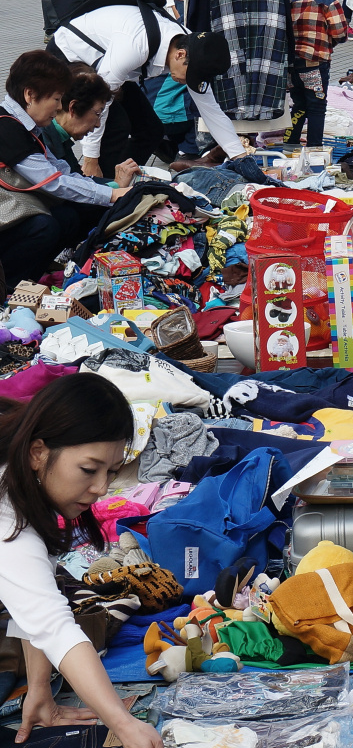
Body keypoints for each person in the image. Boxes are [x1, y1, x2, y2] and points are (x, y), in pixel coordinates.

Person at [0, 372, 167, 748]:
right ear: (38, 453)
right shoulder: (6, 516)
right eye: (89, 470)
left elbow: (33, 594)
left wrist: (39, 689)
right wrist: (124, 725)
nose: (100, 489)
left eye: (110, 472)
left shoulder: (25, 476)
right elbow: (52, 624)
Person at [48, 4, 241, 181]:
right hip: (71, 55)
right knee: (116, 127)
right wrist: (90, 160)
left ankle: (118, 183)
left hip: (109, 67)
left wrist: (241, 159)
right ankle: (102, 191)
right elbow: (99, 102)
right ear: (180, 55)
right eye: (190, 76)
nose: (187, 82)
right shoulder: (135, 46)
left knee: (151, 130)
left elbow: (212, 111)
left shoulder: (193, 49)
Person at [0, 53, 138, 286]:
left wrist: (111, 190)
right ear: (30, 95)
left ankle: (29, 281)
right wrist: (112, 193)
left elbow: (62, 171)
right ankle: (10, 288)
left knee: (66, 219)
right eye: (56, 99)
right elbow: (53, 181)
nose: (58, 107)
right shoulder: (7, 128)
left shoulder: (27, 126)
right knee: (45, 227)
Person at [285, 0, 349, 149]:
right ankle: (314, 148)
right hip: (315, 63)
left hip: (293, 64)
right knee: (317, 105)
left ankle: (290, 144)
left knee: (299, 103)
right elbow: (340, 32)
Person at [38, 65, 125, 181]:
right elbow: (69, 188)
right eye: (98, 114)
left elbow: (79, 181)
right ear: (73, 108)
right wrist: (116, 187)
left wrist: (116, 185)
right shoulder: (43, 143)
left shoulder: (58, 138)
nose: (98, 124)